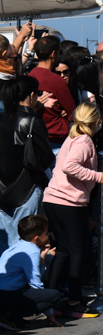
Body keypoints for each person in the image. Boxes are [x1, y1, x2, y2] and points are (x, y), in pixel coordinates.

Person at [41, 103, 103, 314]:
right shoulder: (84, 140)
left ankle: (51, 300)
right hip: (68, 202)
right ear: (96, 122)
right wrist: (99, 176)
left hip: (54, 199)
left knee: (63, 250)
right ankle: (73, 301)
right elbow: (69, 166)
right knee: (78, 251)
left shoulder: (72, 137)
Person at [0, 76, 55, 249]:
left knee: (5, 245)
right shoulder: (32, 120)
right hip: (27, 187)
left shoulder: (2, 116)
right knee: (25, 244)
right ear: (32, 95)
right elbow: (46, 158)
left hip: (2, 187)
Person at [0, 215, 78, 328]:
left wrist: (42, 258)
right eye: (46, 233)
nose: (48, 235)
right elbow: (35, 284)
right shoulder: (32, 252)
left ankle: (13, 315)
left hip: (7, 293)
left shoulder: (18, 246)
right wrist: (50, 314)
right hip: (6, 295)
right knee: (54, 296)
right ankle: (9, 315)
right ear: (37, 238)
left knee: (46, 288)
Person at [28, 36, 76, 149]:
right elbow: (73, 112)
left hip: (35, 136)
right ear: (53, 54)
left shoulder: (29, 76)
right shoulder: (56, 80)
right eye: (60, 52)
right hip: (56, 138)